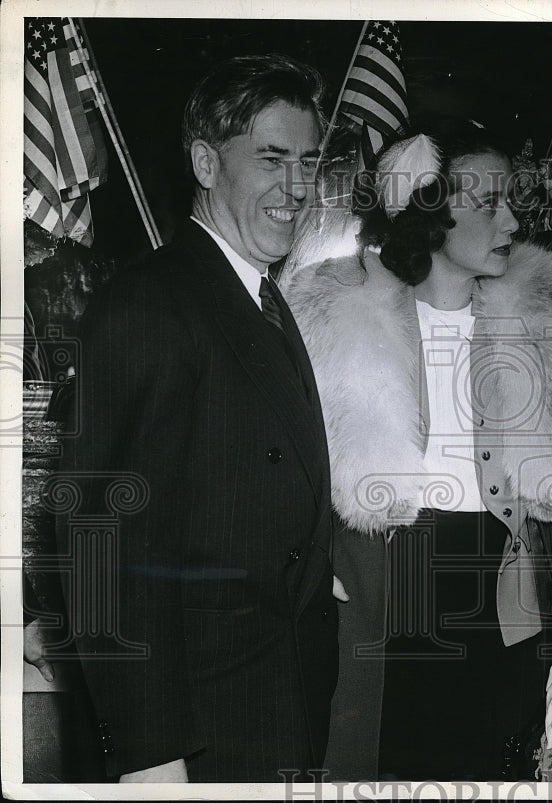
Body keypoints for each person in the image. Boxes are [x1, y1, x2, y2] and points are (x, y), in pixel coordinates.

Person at [281, 120, 552, 780]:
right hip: (383, 597)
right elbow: (292, 473)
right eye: (487, 202)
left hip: (506, 607)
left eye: (510, 202)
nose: (509, 222)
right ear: (429, 211)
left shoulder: (539, 322)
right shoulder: (337, 318)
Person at [53, 54, 340, 782]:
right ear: (206, 163)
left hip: (274, 714)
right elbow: (98, 539)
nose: (297, 187)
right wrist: (151, 753)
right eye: (271, 159)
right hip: (193, 738)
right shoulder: (150, 302)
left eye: (308, 161)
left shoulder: (261, 300)